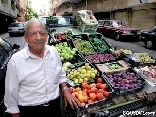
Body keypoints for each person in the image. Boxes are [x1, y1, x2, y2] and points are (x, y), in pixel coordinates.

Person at [4, 18, 80, 117]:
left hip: (54, 107)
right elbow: (11, 94)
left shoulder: (53, 51)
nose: (39, 37)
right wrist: (15, 114)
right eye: (33, 34)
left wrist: (65, 90)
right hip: (30, 111)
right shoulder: (16, 61)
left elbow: (60, 73)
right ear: (26, 38)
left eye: (42, 33)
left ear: (47, 36)